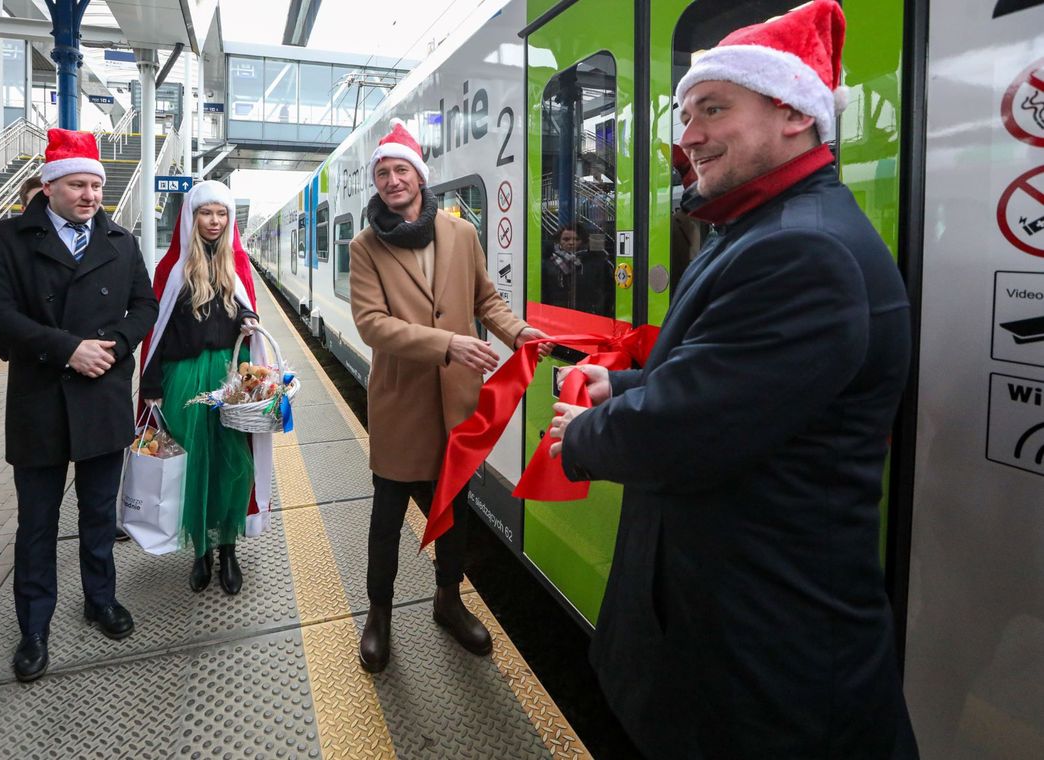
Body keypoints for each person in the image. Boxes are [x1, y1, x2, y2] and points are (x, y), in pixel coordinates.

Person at [547, 2, 918, 757]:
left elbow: (687, 429)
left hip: (760, 667)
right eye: (686, 115)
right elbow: (718, 373)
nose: (687, 138)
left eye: (713, 109)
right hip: (732, 636)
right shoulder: (762, 227)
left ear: (792, 114)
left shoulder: (801, 251)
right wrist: (618, 389)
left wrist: (582, 436)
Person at [349, 120, 551, 673]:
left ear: (419, 176)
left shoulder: (461, 234)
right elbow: (370, 324)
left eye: (401, 170)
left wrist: (519, 333)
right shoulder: (365, 246)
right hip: (400, 405)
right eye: (383, 172)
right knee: (387, 516)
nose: (392, 180)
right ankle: (379, 614)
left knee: (455, 512)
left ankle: (447, 600)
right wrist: (449, 344)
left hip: (456, 404)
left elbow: (487, 299)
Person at [0, 128, 158, 683]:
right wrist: (68, 349)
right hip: (40, 401)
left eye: (96, 185)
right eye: (77, 184)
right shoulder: (6, 240)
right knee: (37, 522)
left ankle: (99, 599)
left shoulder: (120, 241)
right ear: (49, 186)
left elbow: (143, 305)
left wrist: (115, 347)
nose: (90, 195)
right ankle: (34, 625)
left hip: (101, 398)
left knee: (100, 514)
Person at [139, 181, 268, 595]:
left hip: (227, 379)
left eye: (221, 214)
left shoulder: (239, 265)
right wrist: (151, 384)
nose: (214, 221)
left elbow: (247, 318)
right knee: (191, 465)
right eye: (205, 213)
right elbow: (154, 333)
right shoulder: (171, 268)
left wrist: (248, 320)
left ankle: (227, 548)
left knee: (233, 463)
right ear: (191, 218)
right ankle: (201, 553)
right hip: (184, 381)